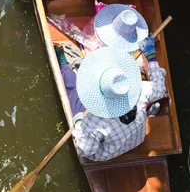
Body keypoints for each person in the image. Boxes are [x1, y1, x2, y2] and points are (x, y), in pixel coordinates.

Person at [55, 34, 166, 162]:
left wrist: (79, 123)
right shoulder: (140, 90)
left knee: (74, 94)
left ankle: (64, 67)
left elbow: (85, 150)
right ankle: (150, 113)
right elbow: (159, 88)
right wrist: (151, 55)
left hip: (107, 153)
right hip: (138, 140)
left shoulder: (93, 119)